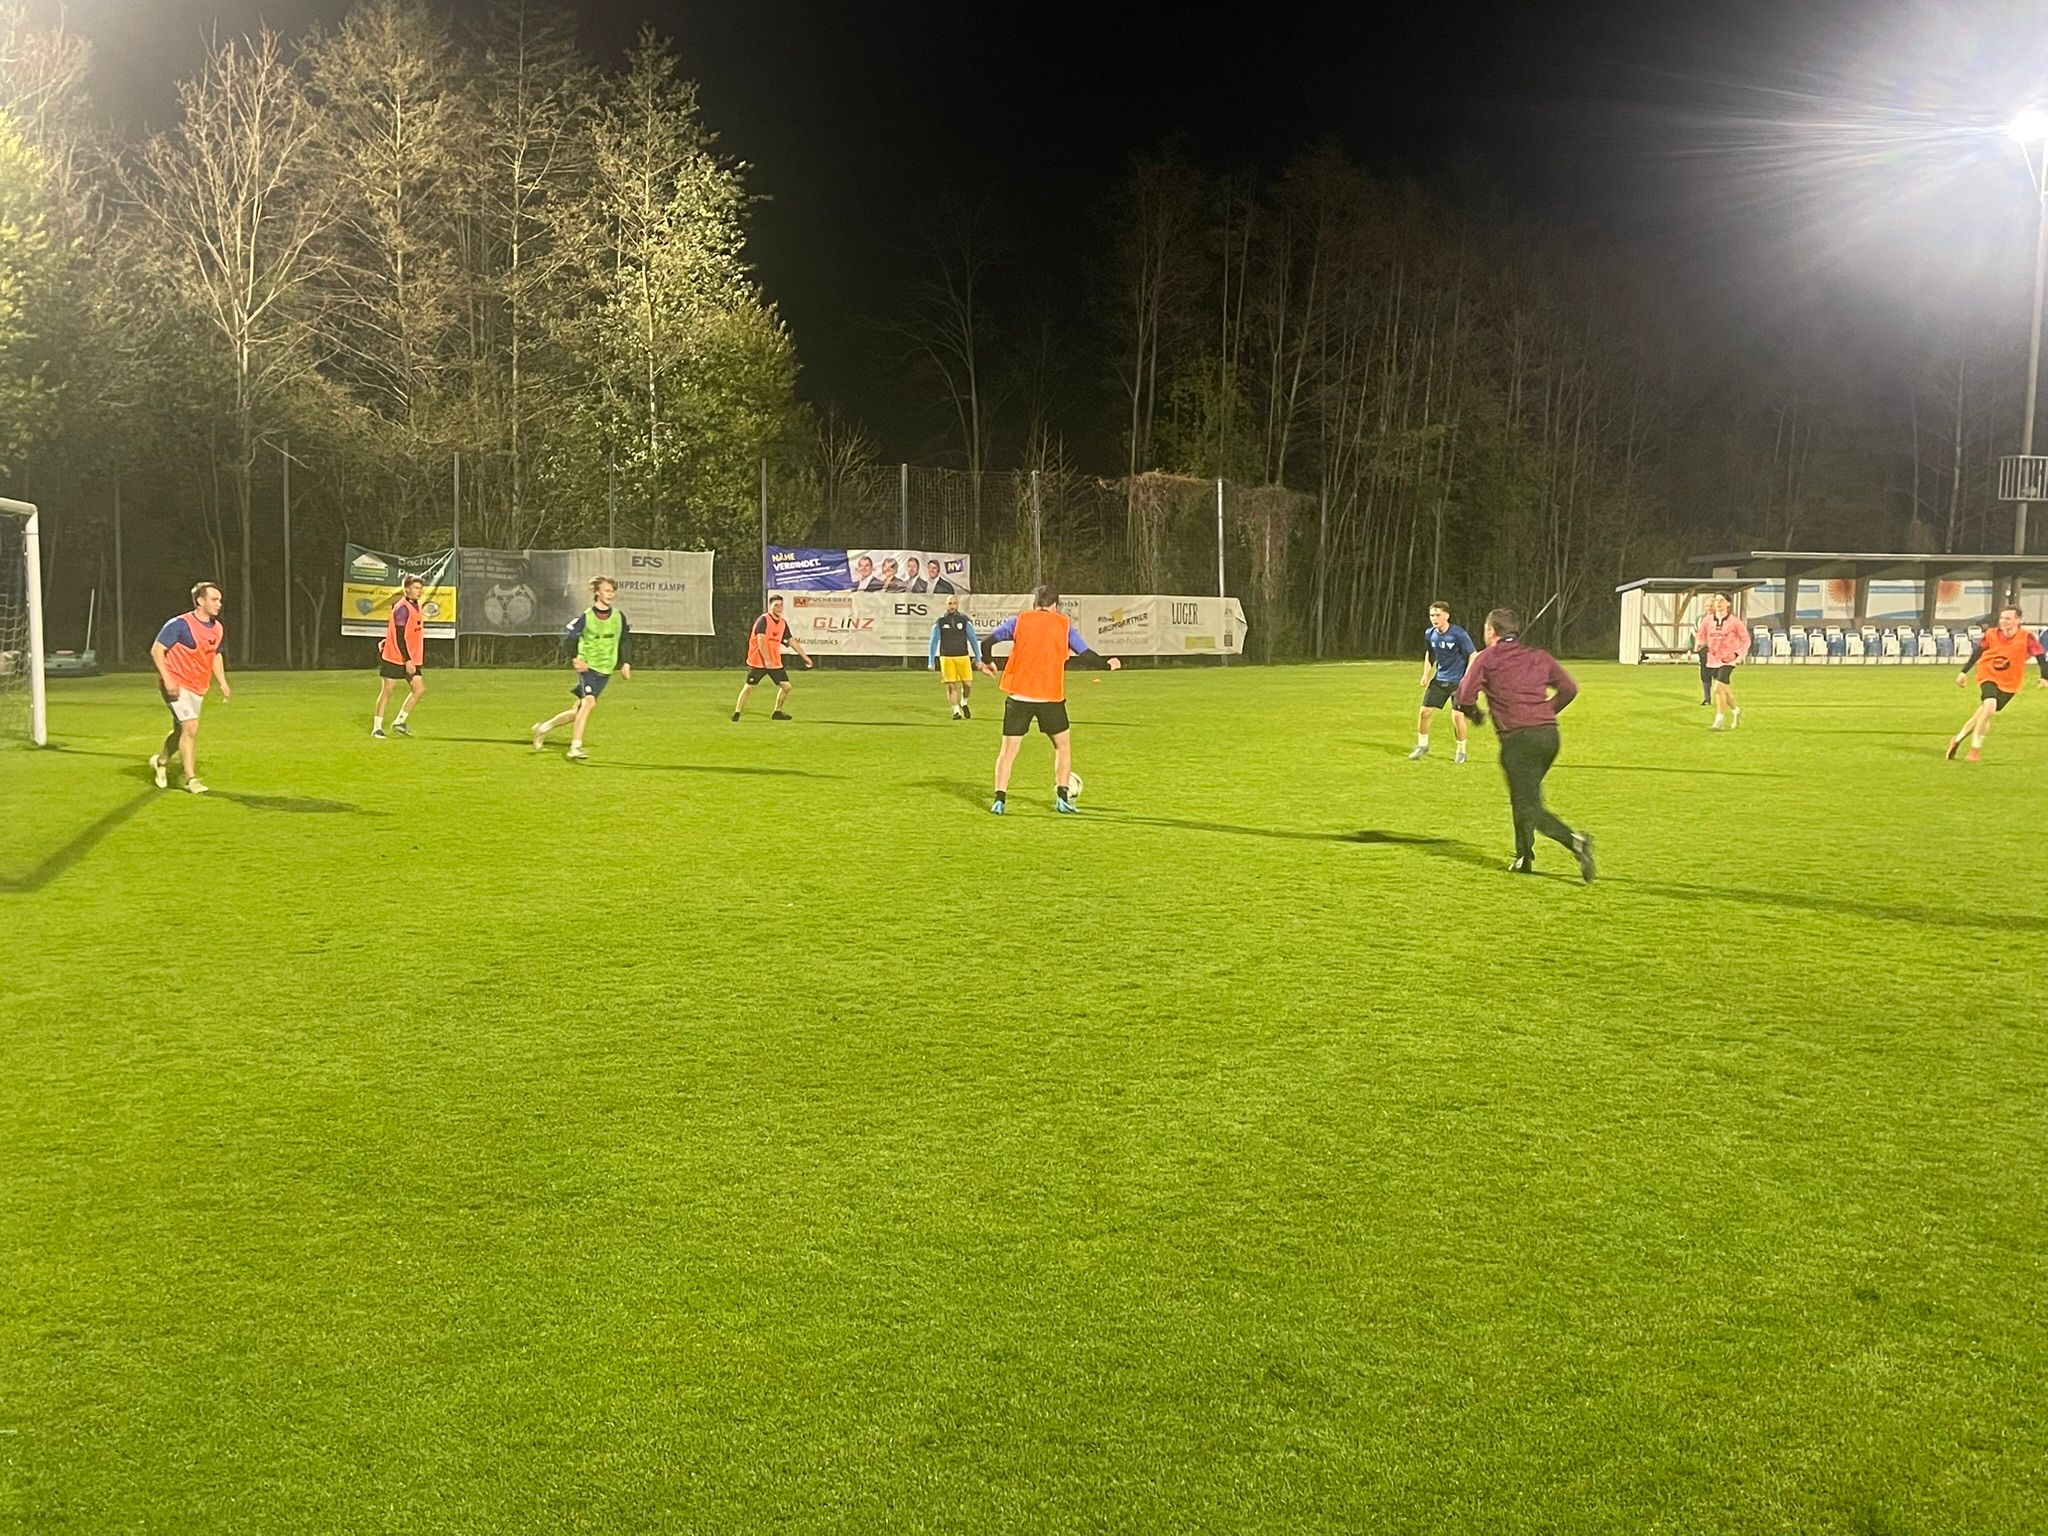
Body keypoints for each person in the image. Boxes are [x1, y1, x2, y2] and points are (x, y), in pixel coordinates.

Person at [1453, 607, 1595, 880]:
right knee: (1524, 796)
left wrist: (1477, 715)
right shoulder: (1538, 656)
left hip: (1518, 740)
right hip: (1549, 737)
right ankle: (1523, 857)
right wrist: (1544, 712)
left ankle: (1576, 842)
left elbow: (1463, 696)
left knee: (1528, 805)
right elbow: (1569, 689)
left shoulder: (1486, 658)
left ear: (1491, 631)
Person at [979, 585, 1121, 815]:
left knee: (1008, 752)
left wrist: (987, 661)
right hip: (1050, 697)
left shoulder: (1019, 621)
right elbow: (1086, 654)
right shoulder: (1063, 625)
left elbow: (986, 643)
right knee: (1062, 747)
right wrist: (1107, 665)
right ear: (1055, 605)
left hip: (1019, 695)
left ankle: (999, 801)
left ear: (1035, 603)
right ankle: (1062, 799)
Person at [531, 576, 631, 760]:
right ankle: (575, 747)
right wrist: (576, 658)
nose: (611, 594)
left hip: (605, 669)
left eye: (612, 591)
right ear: (597, 592)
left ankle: (543, 728)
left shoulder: (619, 617)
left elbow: (624, 640)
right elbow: (569, 638)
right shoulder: (587, 616)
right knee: (589, 703)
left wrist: (626, 662)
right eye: (607, 590)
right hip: (588, 668)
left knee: (576, 712)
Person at [148, 580, 231, 794]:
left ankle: (161, 761)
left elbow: (215, 655)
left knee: (181, 731)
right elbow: (157, 650)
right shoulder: (179, 624)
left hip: (197, 686)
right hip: (176, 684)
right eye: (214, 599)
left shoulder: (217, 628)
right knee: (191, 727)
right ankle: (191, 779)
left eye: (220, 600)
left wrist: (222, 681)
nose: (219, 604)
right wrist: (167, 679)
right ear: (200, 601)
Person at [1946, 605, 2048, 761]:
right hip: (1988, 674)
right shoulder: (1991, 634)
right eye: (2002, 618)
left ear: (2018, 620)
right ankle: (1975, 750)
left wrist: (2044, 677)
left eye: (2008, 618)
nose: (2003, 621)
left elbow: (2040, 655)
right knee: (1989, 707)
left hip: (2010, 682)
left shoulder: (2026, 637)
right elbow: (1978, 652)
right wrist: (1964, 672)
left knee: (1982, 714)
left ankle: (1957, 739)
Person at [1410, 602, 1476, 762]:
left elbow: (1473, 655)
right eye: (1432, 615)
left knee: (1457, 717)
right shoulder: (1430, 634)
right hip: (1440, 680)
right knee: (1424, 712)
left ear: (1446, 616)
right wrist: (1426, 674)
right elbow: (1430, 654)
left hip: (1458, 683)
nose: (1434, 618)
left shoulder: (1458, 634)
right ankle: (1422, 745)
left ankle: (1461, 751)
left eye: (1438, 615)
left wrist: (1467, 678)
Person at [733, 593, 814, 721]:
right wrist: (766, 660)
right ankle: (737, 713)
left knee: (786, 687)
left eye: (781, 605)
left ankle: (778, 712)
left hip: (774, 662)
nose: (779, 608)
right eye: (776, 605)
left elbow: (791, 640)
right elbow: (761, 641)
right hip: (759, 661)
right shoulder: (763, 620)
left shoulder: (782, 623)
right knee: (749, 687)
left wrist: (805, 657)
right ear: (769, 606)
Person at [372, 574, 427, 738]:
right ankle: (377, 728)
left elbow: (401, 631)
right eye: (416, 588)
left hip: (412, 657)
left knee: (419, 689)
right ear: (407, 589)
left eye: (420, 588)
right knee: (387, 690)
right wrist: (407, 660)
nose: (419, 591)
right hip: (395, 657)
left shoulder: (416, 606)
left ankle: (399, 722)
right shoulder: (402, 608)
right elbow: (400, 635)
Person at [1696, 593, 1750, 730]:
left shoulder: (1735, 622)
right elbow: (1700, 635)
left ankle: (1719, 720)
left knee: (1718, 687)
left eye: (1721, 600)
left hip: (1728, 660)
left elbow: (1746, 640)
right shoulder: (1707, 620)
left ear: (1728, 603)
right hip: (1712, 659)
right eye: (1716, 601)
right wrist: (1699, 644)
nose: (1718, 603)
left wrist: (1736, 654)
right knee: (1724, 690)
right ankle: (1736, 710)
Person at [928, 595, 983, 719]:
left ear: (957, 604)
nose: (952, 606)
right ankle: (956, 711)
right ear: (946, 604)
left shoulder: (964, 620)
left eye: (954, 603)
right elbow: (933, 642)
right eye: (950, 603)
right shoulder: (940, 621)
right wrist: (931, 661)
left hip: (963, 656)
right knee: (951, 685)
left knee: (967, 684)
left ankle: (964, 702)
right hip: (946, 657)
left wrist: (978, 658)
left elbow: (973, 640)